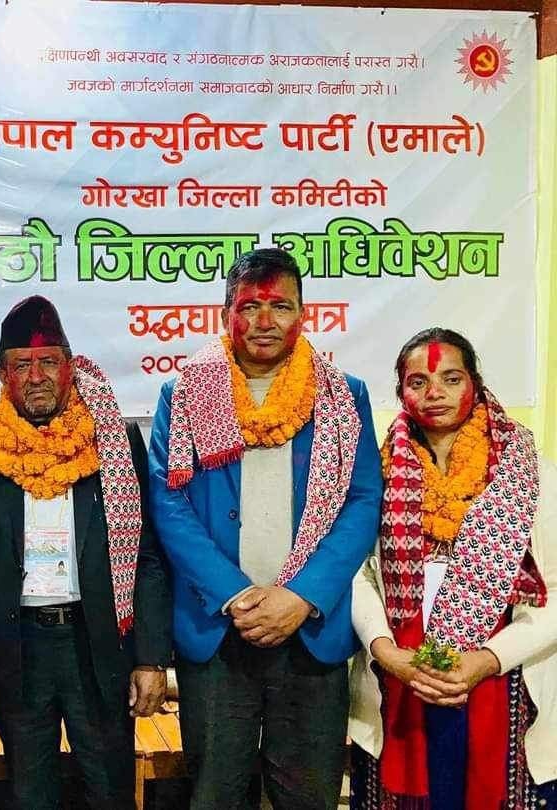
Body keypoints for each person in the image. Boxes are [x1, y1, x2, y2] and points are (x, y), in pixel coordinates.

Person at [147, 248, 382, 810]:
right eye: (249, 306)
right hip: (217, 630)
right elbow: (168, 501)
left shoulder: (342, 395)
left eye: (280, 306)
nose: (264, 320)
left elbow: (362, 501)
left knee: (307, 795)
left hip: (310, 629)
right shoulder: (187, 393)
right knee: (216, 793)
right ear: (225, 313)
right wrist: (235, 595)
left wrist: (302, 596)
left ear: (304, 314)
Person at [0, 295, 172, 810]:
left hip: (95, 643)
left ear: (70, 367)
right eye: (21, 365)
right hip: (18, 649)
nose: (36, 377)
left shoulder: (113, 440)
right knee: (30, 795)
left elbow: (146, 556)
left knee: (109, 790)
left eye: (49, 362)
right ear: (2, 375)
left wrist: (150, 658)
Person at [349, 327, 557, 809]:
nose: (435, 392)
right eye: (418, 381)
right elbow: (358, 576)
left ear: (475, 384)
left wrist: (485, 660)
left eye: (451, 378)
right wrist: (385, 650)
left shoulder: (530, 473)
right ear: (400, 391)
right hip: (400, 677)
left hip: (505, 678)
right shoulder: (376, 473)